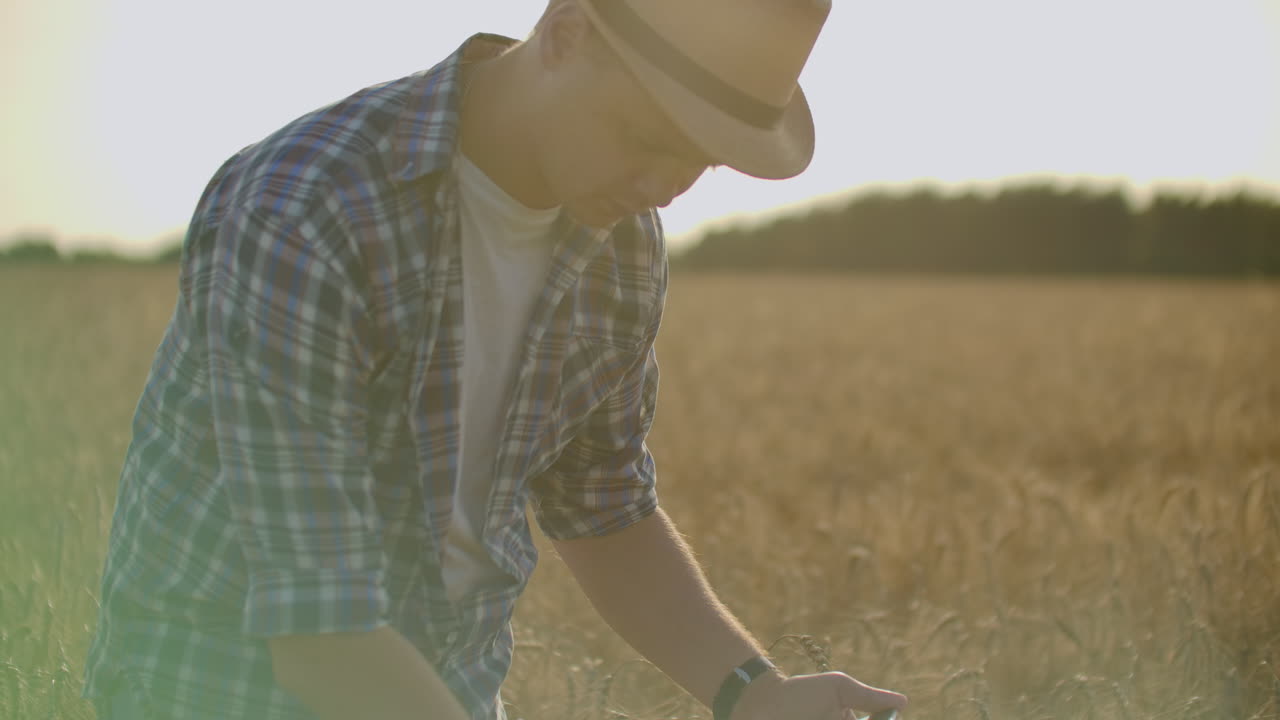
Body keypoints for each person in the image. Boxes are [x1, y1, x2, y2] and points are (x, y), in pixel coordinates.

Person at [83, 0, 909, 718]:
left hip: (449, 692)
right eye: (646, 136)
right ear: (564, 34)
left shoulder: (623, 244)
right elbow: (317, 627)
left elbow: (604, 506)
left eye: (701, 160)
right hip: (215, 692)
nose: (663, 185)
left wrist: (754, 693)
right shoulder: (308, 207)